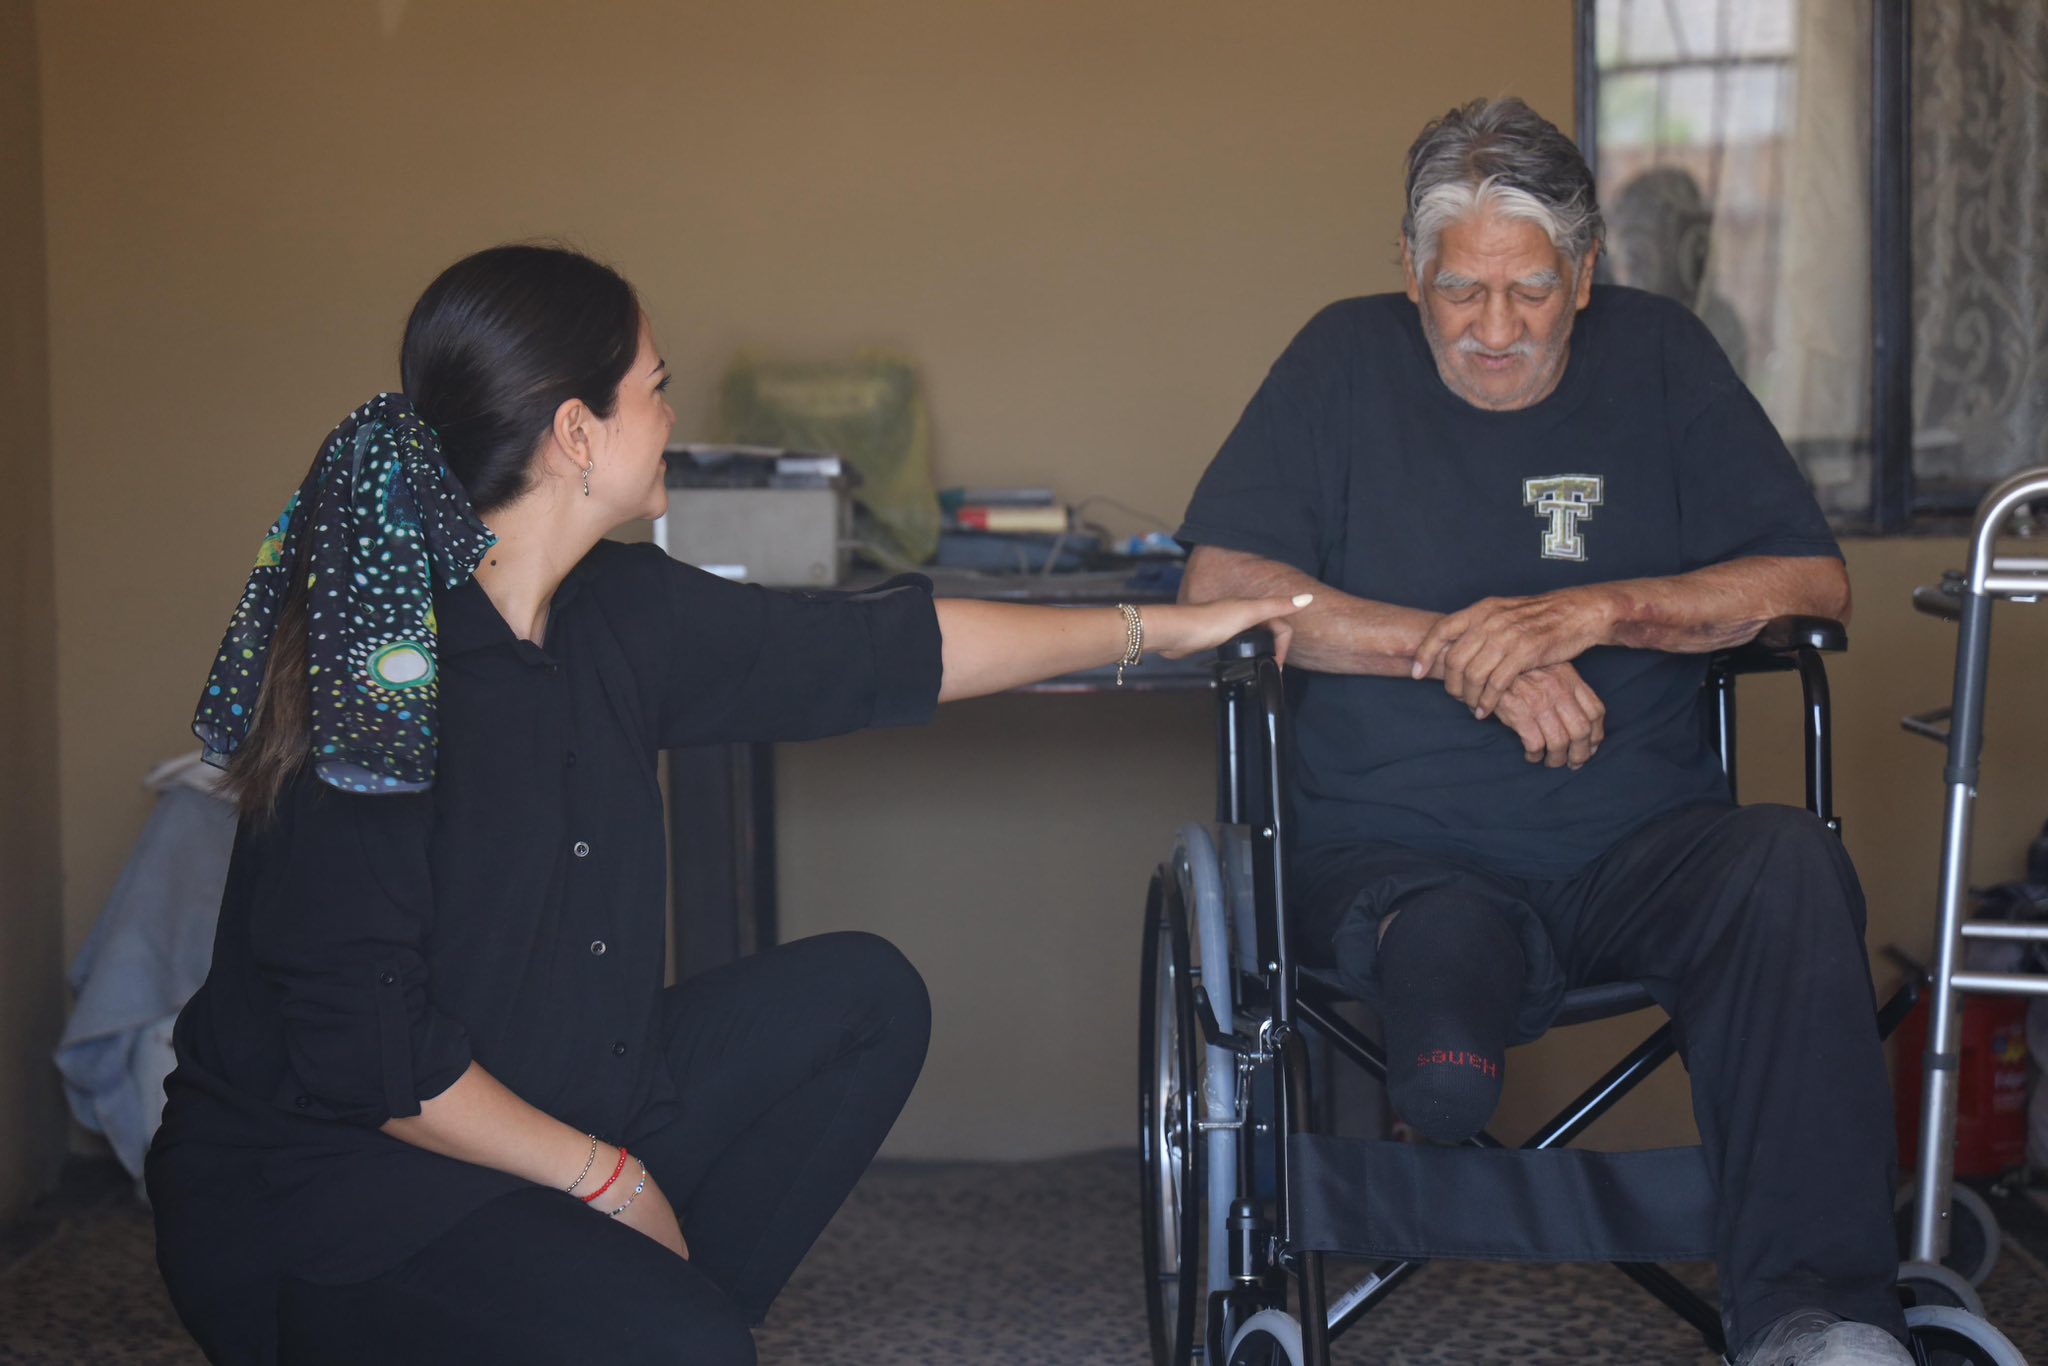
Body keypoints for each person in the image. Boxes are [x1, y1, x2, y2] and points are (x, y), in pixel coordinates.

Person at [145, 243, 1305, 1366]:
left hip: (542, 1111)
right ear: (576, 431)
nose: (671, 419)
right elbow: (373, 1059)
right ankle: (647, 1324)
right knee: (684, 1343)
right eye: (655, 390)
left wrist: (1165, 628)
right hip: (332, 1190)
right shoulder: (382, 671)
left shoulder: (621, 612)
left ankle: (637, 1316)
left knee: (861, 1001)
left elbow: (888, 647)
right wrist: (610, 1179)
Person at [1176, 98, 1911, 1366]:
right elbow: (1219, 584)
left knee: (1785, 864)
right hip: (1390, 851)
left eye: (1529, 290)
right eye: (1459, 290)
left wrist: (1597, 610)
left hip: (1636, 850)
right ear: (1408, 269)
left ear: (1582, 271)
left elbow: (1808, 581)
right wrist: (1464, 652)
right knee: (1437, 935)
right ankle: (1443, 1023)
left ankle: (1818, 1316)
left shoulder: (1662, 356)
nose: (1494, 328)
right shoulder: (1338, 362)